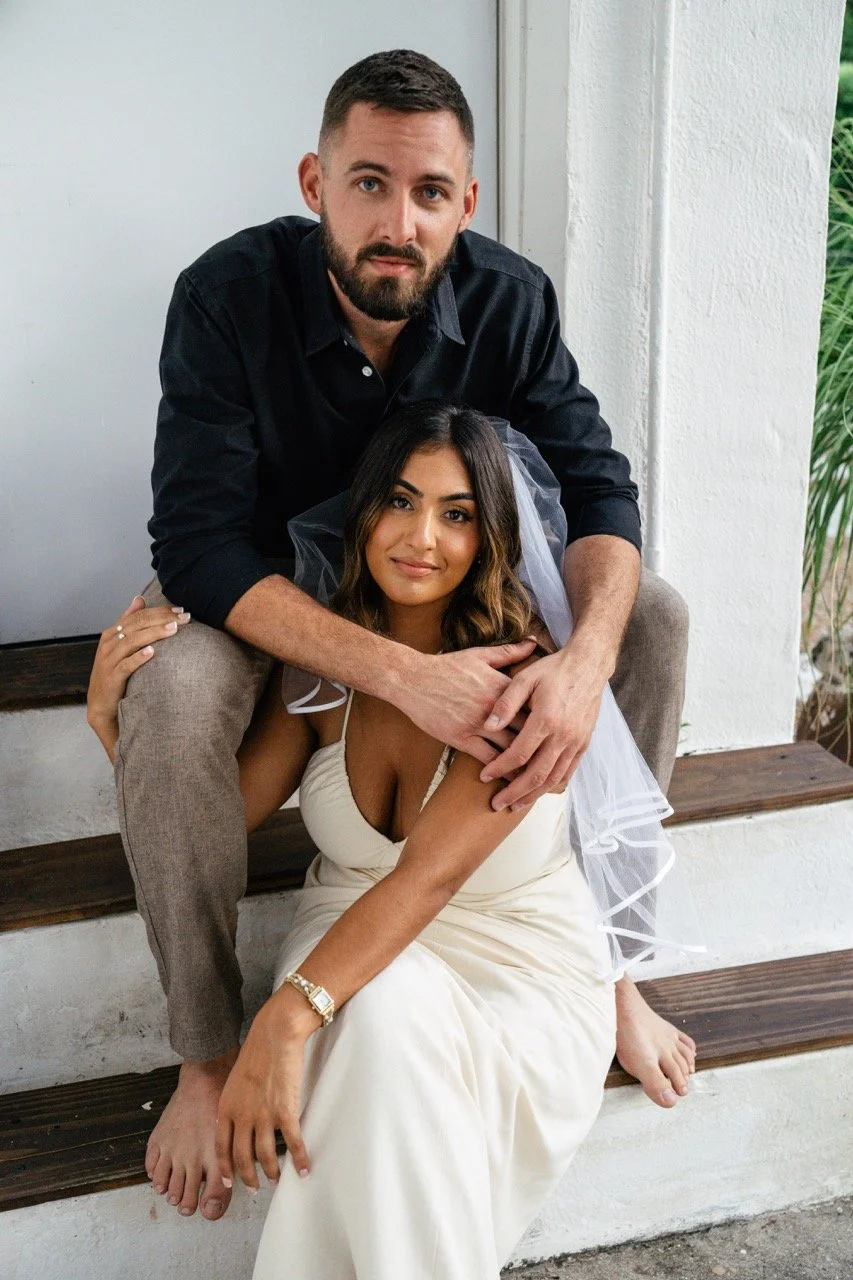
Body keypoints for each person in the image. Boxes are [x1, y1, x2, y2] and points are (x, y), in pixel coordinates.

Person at [86, 49, 692, 1223]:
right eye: (368, 184)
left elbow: (599, 486)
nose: (396, 221)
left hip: (424, 582)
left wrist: (577, 667)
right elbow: (202, 540)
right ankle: (205, 1054)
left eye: (428, 194)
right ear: (316, 181)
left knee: (648, 615)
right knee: (167, 691)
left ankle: (613, 959)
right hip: (262, 596)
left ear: (465, 204)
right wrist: (395, 673)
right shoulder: (224, 294)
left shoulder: (510, 299)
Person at [90, 404, 697, 1278]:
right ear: (362, 511)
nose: (422, 537)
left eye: (456, 514)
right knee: (380, 1015)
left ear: (490, 534)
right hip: (348, 944)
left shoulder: (521, 680)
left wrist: (281, 1022)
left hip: (512, 970)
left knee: (380, 1021)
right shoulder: (322, 671)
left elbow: (426, 882)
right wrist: (112, 723)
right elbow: (220, 816)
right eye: (401, 503)